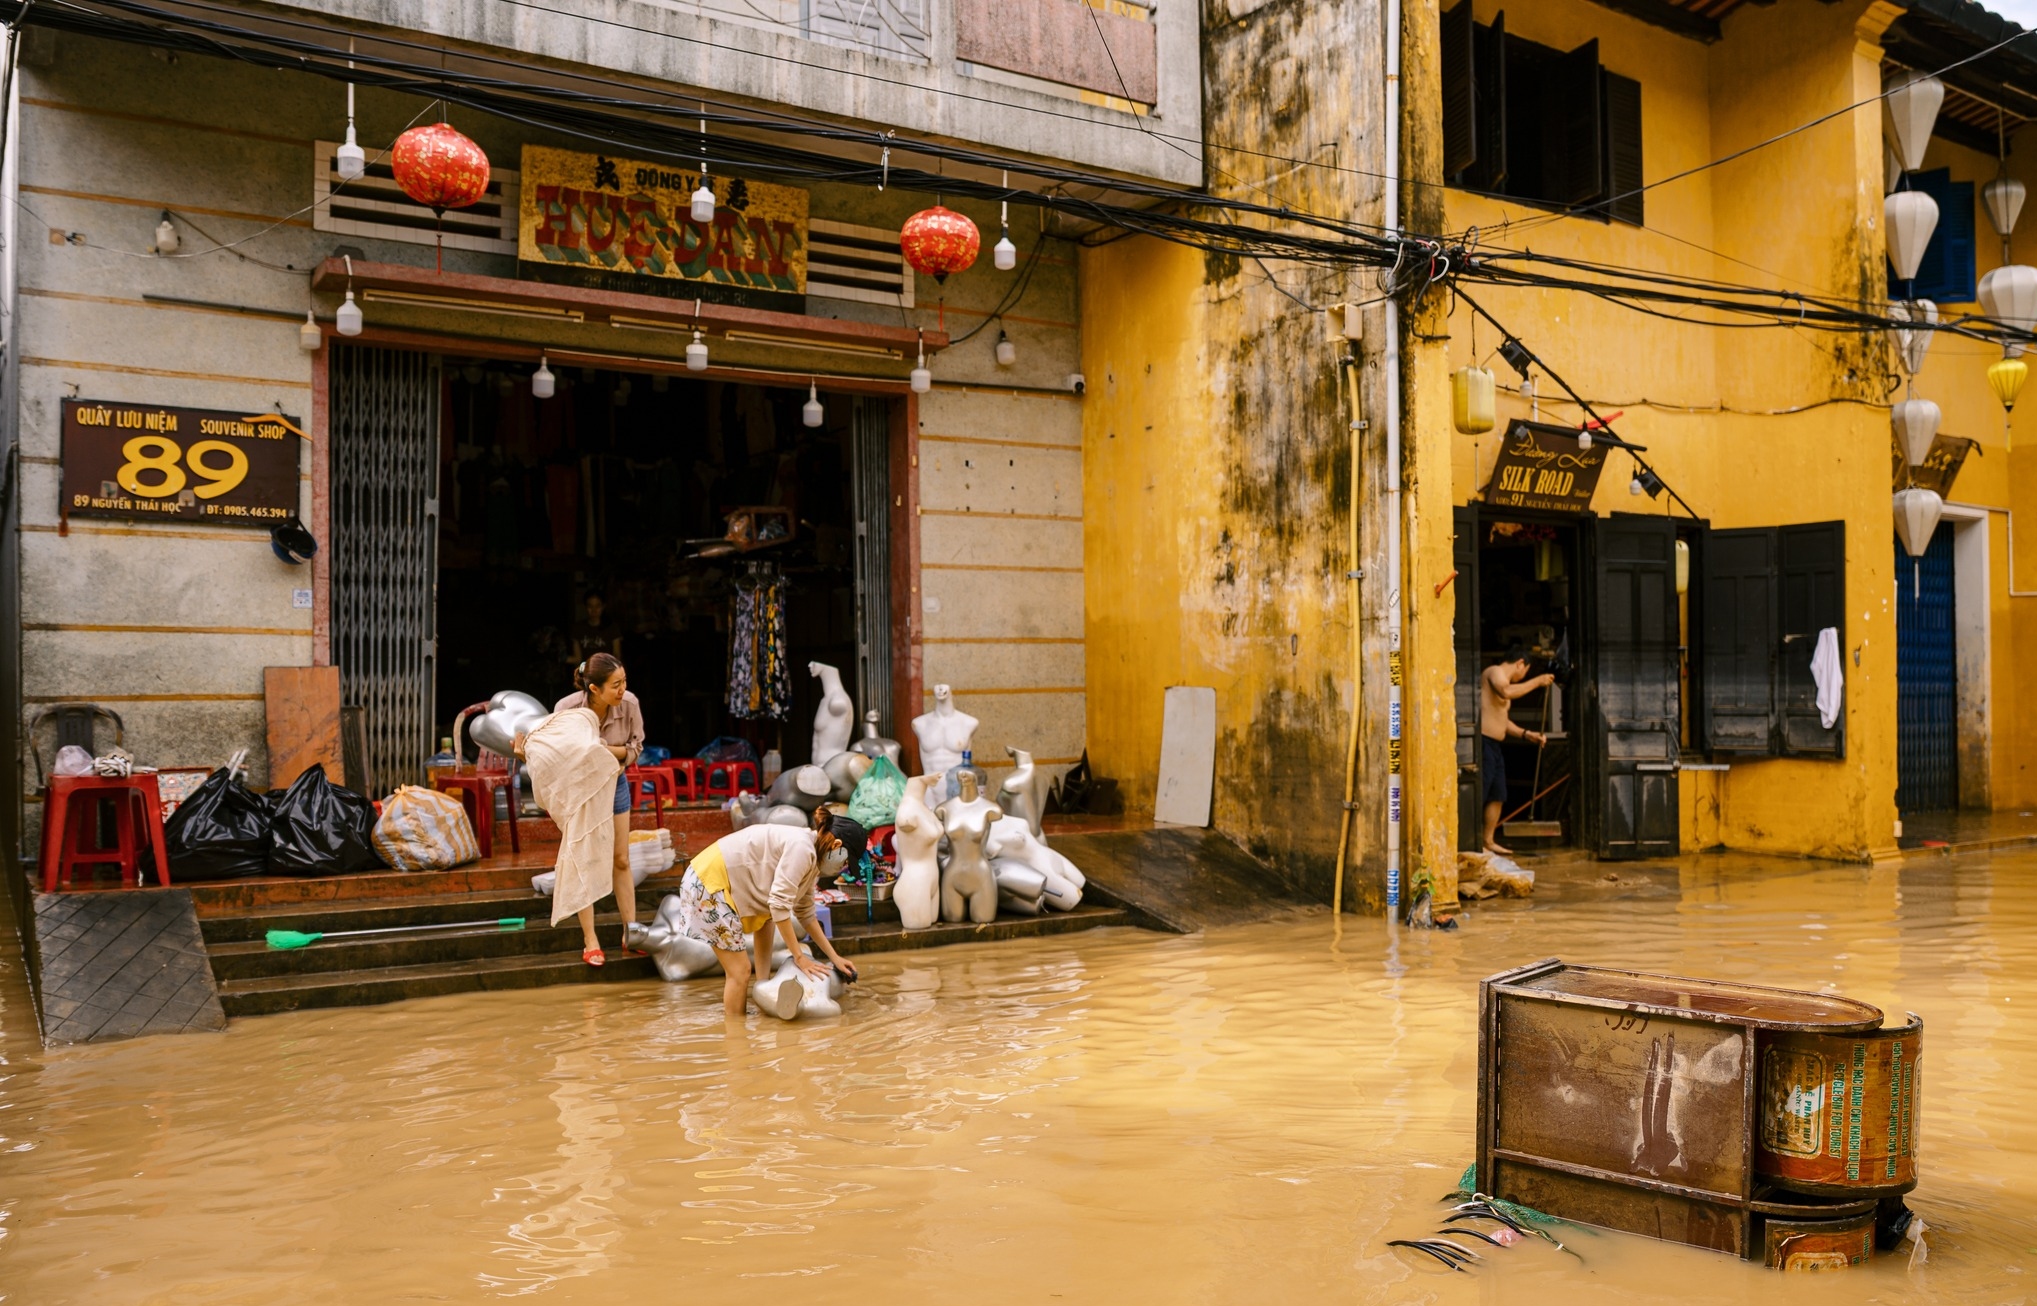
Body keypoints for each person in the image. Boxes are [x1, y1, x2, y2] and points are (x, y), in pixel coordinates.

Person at [644, 804, 858, 1017]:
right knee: (739, 972)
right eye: (846, 861)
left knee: (766, 920)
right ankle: (737, 1038)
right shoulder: (802, 847)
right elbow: (780, 905)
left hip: (724, 883)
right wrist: (799, 957)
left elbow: (805, 913)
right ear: (836, 845)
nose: (844, 867)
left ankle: (762, 993)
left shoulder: (813, 859)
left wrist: (834, 956)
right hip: (708, 883)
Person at [533, 652, 644, 965]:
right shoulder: (566, 710)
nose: (622, 690)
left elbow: (636, 748)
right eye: (615, 685)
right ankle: (590, 939)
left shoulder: (630, 704)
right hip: (581, 792)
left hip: (615, 783)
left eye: (624, 682)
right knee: (584, 858)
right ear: (594, 689)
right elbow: (557, 756)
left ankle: (631, 932)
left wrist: (603, 750)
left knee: (621, 859)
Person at [1481, 646, 1554, 857]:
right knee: (1482, 792)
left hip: (1495, 746)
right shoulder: (1494, 672)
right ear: (1520, 663)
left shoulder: (1506, 684)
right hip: (1483, 743)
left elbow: (1502, 721)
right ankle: (1469, 840)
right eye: (1526, 671)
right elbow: (1506, 691)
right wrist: (1537, 681)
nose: (1524, 676)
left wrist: (1526, 734)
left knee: (1498, 794)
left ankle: (1488, 840)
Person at [571, 591, 623, 665]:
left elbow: (616, 654)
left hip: (606, 670)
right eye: (590, 606)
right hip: (586, 671)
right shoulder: (578, 628)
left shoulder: (611, 628)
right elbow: (577, 659)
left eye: (597, 606)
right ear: (586, 607)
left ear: (603, 606)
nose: (594, 610)